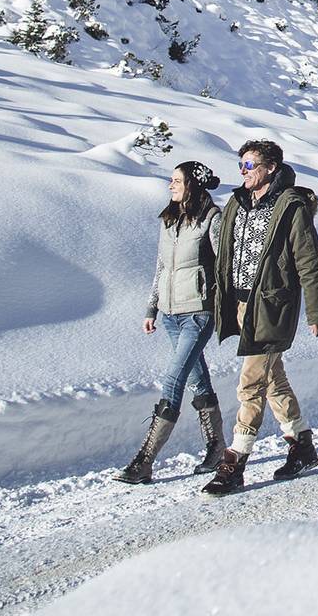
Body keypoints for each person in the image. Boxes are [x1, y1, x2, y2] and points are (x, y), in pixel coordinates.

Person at [202, 139, 318, 496]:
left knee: (251, 384)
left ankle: (235, 462)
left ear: (270, 168)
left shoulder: (290, 207)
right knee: (274, 381)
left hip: (271, 308)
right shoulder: (237, 202)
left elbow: (308, 260)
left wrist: (316, 310)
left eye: (250, 165)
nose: (243, 172)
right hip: (240, 305)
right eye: (241, 165)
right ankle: (302, 446)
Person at [115, 161, 228, 484]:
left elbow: (223, 267)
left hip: (198, 312)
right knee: (197, 380)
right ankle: (216, 447)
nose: (170, 185)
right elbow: (161, 267)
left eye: (176, 180)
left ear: (193, 183)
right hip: (170, 315)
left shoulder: (212, 219)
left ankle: (145, 460)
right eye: (171, 180)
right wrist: (152, 308)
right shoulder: (169, 220)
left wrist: (224, 308)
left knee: (173, 381)